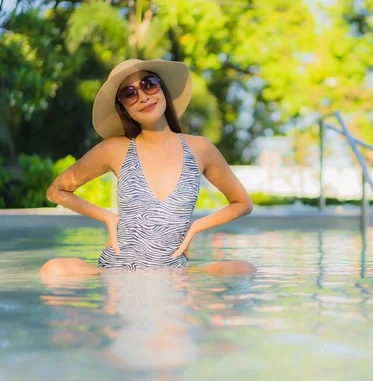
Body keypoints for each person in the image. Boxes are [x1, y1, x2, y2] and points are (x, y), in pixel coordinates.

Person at [41, 59, 255, 275]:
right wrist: (107, 216)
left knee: (244, 269)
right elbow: (56, 191)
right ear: (124, 109)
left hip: (172, 270)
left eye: (148, 84)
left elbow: (242, 203)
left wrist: (195, 227)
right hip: (118, 269)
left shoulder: (200, 148)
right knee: (53, 270)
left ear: (162, 88)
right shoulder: (114, 149)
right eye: (129, 93)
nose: (143, 96)